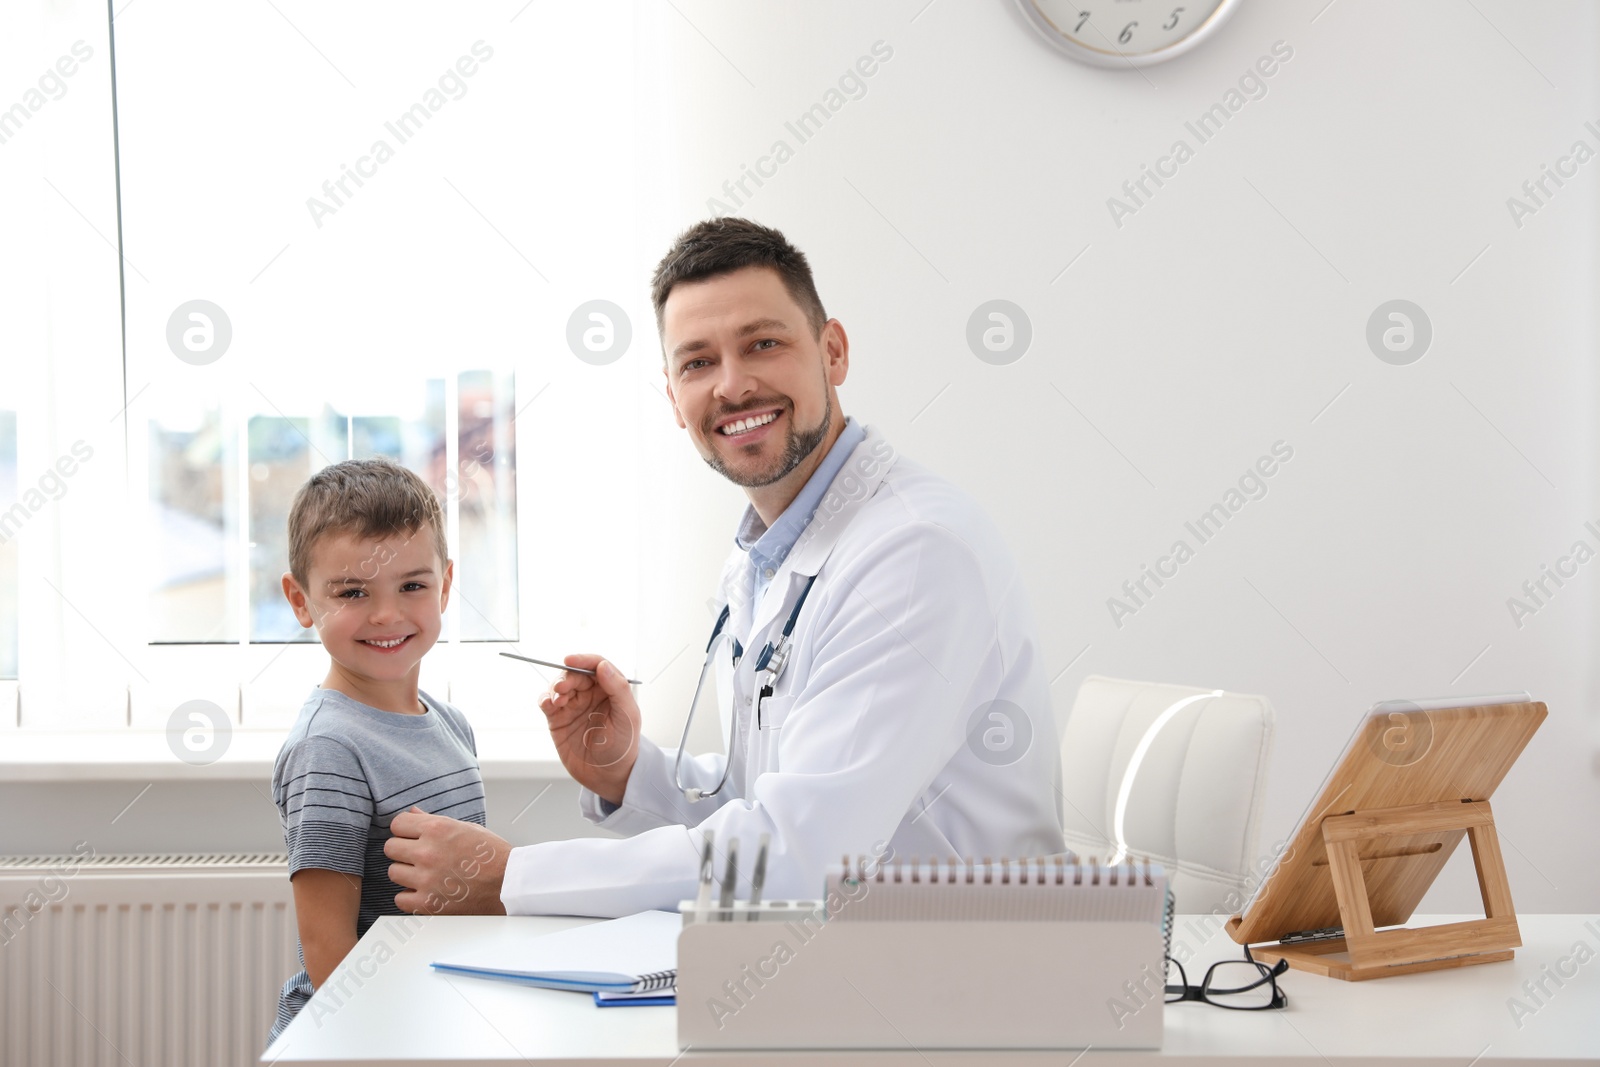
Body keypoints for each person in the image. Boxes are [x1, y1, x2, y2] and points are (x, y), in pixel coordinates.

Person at [384, 218, 1063, 917]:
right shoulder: (764, 560)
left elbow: (800, 851)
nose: (733, 386)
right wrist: (628, 769)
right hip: (848, 964)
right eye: (698, 362)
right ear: (674, 399)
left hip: (969, 986)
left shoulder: (916, 553)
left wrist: (513, 877)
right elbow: (760, 796)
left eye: (763, 344)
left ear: (833, 352)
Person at [266, 458, 488, 1045]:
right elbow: (327, 948)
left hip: (429, 1017)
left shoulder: (450, 724)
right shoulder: (329, 747)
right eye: (353, 592)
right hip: (360, 1034)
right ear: (301, 600)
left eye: (412, 585)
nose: (387, 614)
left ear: (444, 584)